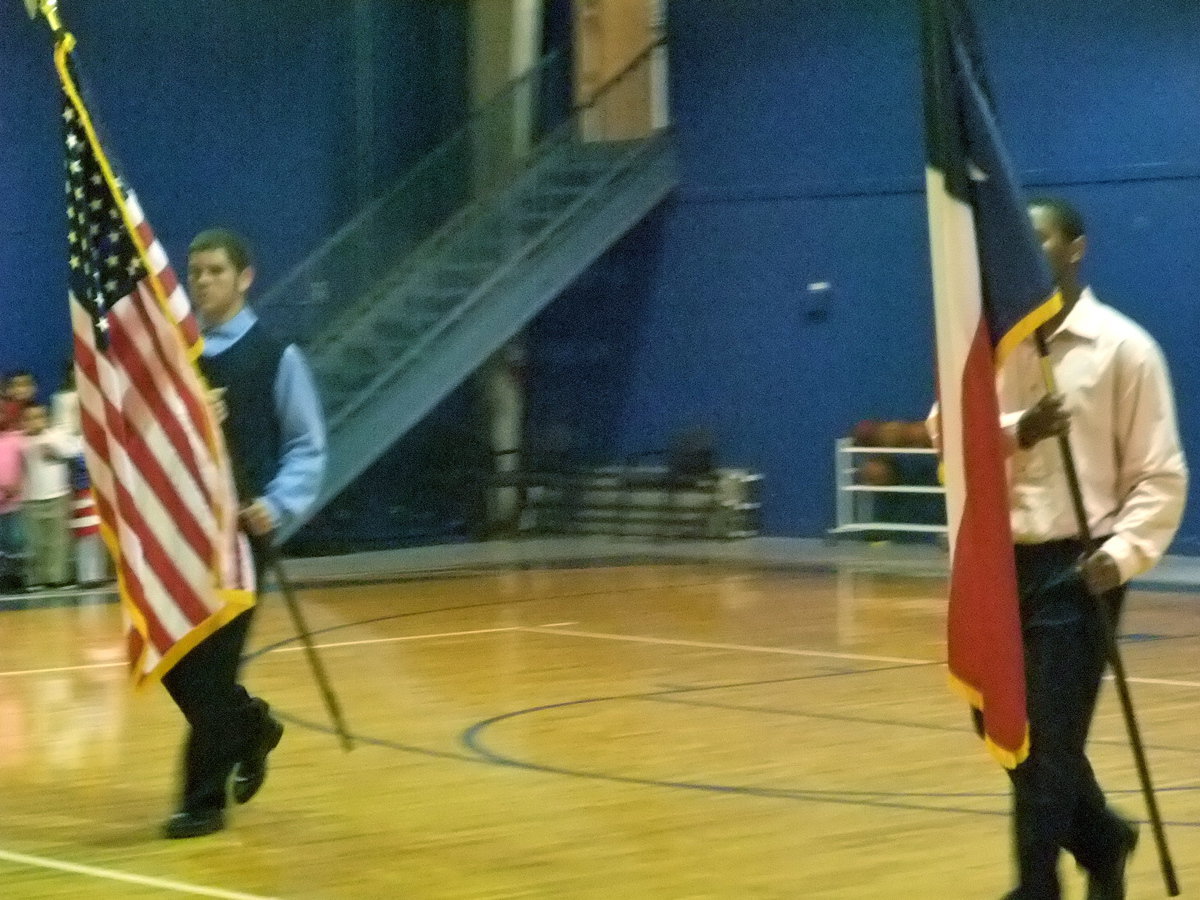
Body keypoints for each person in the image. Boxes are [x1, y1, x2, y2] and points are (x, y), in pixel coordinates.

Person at [935, 197, 1187, 900]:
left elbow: (1159, 473)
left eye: (1039, 237)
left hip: (1080, 568)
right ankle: (1104, 838)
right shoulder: (994, 347)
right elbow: (941, 432)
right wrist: (1017, 428)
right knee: (1001, 724)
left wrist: (1124, 554)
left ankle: (1035, 886)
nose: (1023, 250)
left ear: (1074, 249)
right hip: (997, 564)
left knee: (1048, 743)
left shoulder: (1124, 349)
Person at [160, 228, 326, 839]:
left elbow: (307, 444)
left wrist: (278, 504)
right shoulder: (179, 356)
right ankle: (253, 726)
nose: (202, 282)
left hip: (240, 539)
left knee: (210, 671)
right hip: (185, 537)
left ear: (244, 277)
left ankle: (202, 802)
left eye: (215, 272)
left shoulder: (276, 355)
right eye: (195, 272)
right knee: (178, 664)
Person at [19, 403, 81, 590]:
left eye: (39, 417)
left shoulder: (56, 436)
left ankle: (59, 578)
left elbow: (73, 451)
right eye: (29, 419)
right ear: (23, 422)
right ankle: (37, 580)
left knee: (58, 541)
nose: (35, 422)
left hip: (57, 494)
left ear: (46, 418)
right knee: (36, 542)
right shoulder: (21, 442)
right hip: (31, 498)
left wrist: (54, 449)